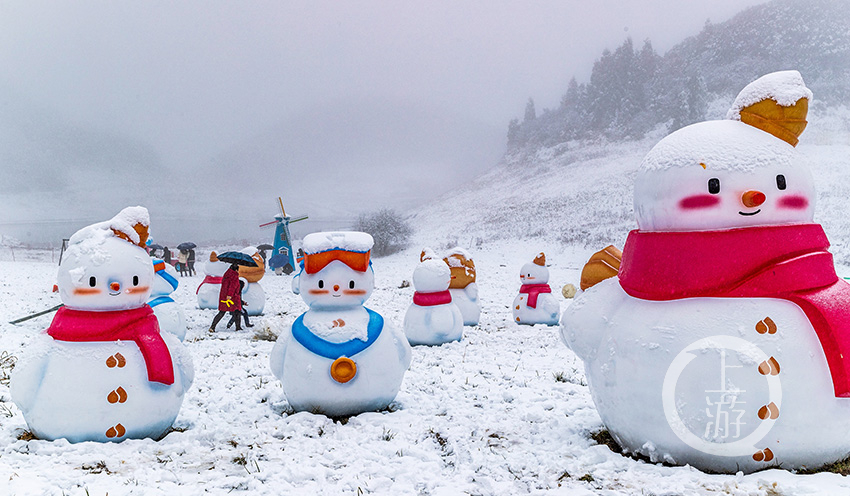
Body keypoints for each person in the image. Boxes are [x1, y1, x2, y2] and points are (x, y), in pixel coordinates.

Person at [208, 263, 242, 332]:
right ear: (236, 270)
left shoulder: (227, 274)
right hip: (232, 297)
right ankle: (238, 327)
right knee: (237, 311)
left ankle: (212, 326)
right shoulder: (234, 276)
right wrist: (230, 295)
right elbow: (232, 286)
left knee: (222, 312)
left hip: (223, 295)